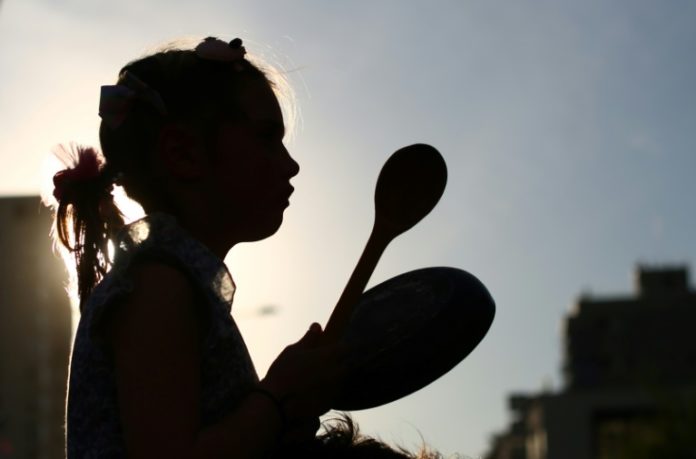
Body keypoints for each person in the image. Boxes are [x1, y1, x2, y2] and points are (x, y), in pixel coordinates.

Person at [48, 36, 345, 459]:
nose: (290, 164)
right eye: (267, 137)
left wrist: (281, 419)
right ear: (183, 153)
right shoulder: (157, 286)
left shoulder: (171, 280)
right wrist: (278, 398)